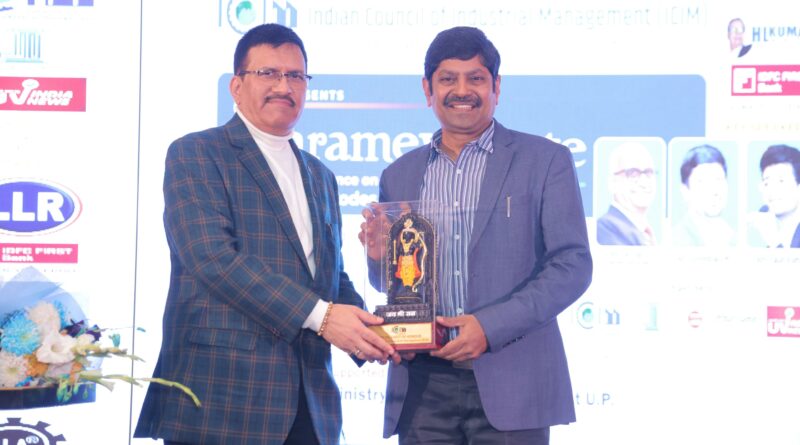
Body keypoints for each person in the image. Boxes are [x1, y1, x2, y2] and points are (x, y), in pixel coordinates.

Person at [134, 24, 396, 445]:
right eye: (268, 73)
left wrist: (377, 334)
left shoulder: (321, 175)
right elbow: (213, 259)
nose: (283, 86)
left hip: (310, 407)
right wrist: (325, 318)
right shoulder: (197, 153)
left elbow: (329, 279)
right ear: (237, 87)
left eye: (295, 76)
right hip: (220, 403)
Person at [361, 26, 592, 444]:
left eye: (476, 78)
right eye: (448, 79)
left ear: (496, 87)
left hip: (513, 379)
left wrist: (489, 326)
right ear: (428, 89)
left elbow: (571, 266)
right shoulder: (399, 174)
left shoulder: (545, 161)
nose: (462, 90)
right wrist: (379, 258)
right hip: (423, 387)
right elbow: (394, 285)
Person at [596, 141, 659, 246]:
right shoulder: (605, 228)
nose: (644, 183)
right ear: (612, 182)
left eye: (648, 173)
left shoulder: (645, 231)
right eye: (633, 174)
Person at [672, 144, 736, 247]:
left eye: (719, 180)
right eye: (702, 182)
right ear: (685, 191)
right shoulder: (676, 242)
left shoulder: (734, 238)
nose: (714, 191)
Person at [748, 144, 800, 248]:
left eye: (781, 181)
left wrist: (774, 242)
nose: (772, 190)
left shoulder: (772, 237)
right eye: (767, 183)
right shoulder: (764, 232)